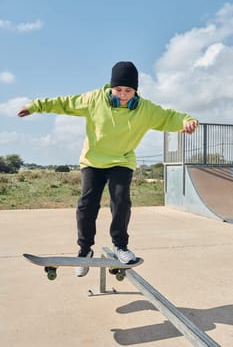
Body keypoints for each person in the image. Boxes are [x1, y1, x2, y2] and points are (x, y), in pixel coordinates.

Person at [17, 61, 198, 277]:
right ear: (111, 87)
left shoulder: (146, 109)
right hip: (93, 161)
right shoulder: (94, 99)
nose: (123, 95)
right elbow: (64, 103)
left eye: (128, 91)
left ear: (136, 91)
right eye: (118, 90)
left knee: (121, 199)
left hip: (122, 160)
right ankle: (84, 251)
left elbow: (170, 116)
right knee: (87, 204)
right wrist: (35, 106)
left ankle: (120, 246)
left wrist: (187, 120)